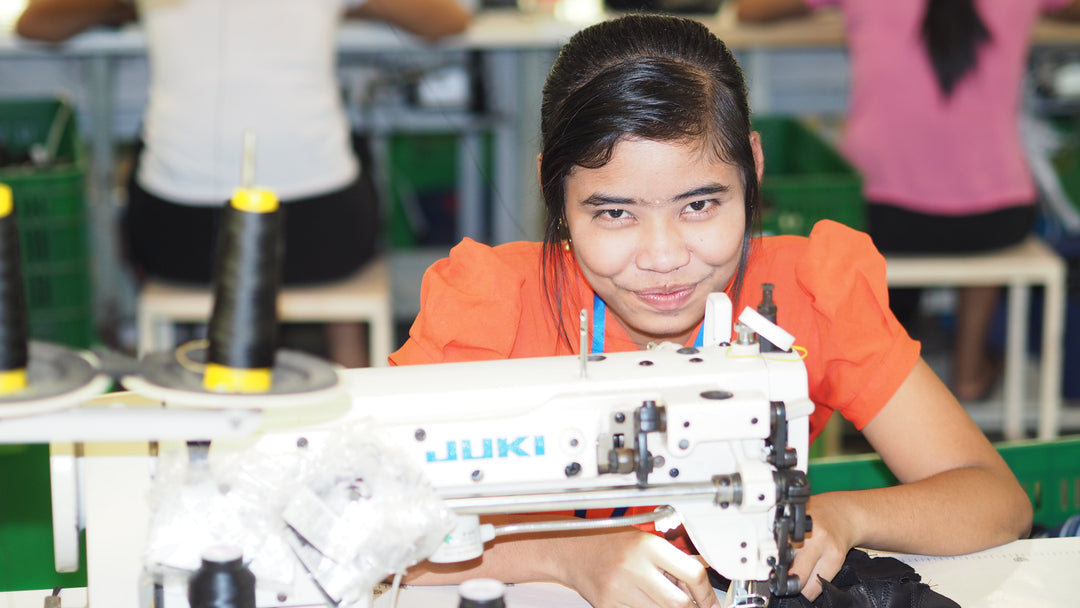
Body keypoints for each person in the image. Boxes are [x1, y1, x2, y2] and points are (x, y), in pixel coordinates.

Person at [390, 14, 1032, 607]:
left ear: (751, 168)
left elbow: (992, 496)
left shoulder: (811, 292)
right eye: (615, 212)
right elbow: (359, 527)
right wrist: (566, 558)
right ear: (553, 192)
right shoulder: (491, 311)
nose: (664, 256)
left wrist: (844, 517)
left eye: (699, 205)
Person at [15, 0, 471, 367]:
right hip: (324, 242)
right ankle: (349, 362)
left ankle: (179, 352)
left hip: (179, 244)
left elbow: (34, 24)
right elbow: (448, 20)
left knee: (145, 161)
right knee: (344, 154)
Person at [737, 0, 1080, 402]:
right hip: (998, 219)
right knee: (980, 188)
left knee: (877, 238)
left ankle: (884, 369)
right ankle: (969, 370)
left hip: (884, 214)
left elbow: (751, 10)